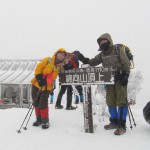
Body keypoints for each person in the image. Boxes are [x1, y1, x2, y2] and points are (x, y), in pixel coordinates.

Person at [73, 33, 130, 135]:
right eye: (100, 42)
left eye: (104, 41)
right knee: (110, 101)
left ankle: (122, 125)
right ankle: (114, 122)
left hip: (120, 79)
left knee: (121, 101)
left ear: (109, 41)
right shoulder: (102, 54)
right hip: (109, 80)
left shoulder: (117, 49)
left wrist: (126, 75)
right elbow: (92, 62)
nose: (102, 43)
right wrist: (81, 57)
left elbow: (126, 63)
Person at [31, 48, 67, 129]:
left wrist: (68, 66)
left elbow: (63, 74)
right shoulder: (48, 60)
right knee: (35, 101)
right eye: (60, 53)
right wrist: (39, 78)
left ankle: (45, 120)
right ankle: (38, 119)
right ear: (56, 53)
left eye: (63, 54)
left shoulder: (61, 66)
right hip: (36, 84)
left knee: (43, 103)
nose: (62, 55)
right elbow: (38, 68)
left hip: (47, 87)